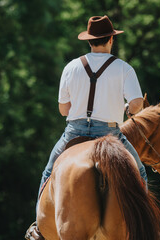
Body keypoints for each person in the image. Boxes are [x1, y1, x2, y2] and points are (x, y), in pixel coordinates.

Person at [25, 15, 147, 240]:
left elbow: (63, 110)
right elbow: (138, 105)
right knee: (140, 172)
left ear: (89, 41)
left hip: (74, 131)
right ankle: (144, 225)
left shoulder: (71, 67)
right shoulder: (124, 68)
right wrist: (129, 106)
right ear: (111, 39)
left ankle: (39, 229)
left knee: (49, 172)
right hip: (110, 132)